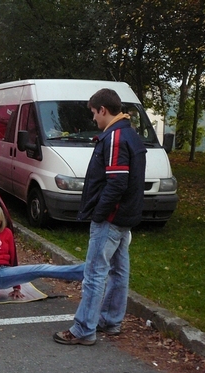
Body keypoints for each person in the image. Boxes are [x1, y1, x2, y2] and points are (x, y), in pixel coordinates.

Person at [52, 88, 147, 346]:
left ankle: (83, 329)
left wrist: (99, 214)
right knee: (118, 270)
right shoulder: (131, 135)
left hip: (111, 218)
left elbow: (116, 183)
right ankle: (110, 320)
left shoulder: (115, 137)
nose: (94, 119)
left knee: (95, 273)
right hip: (125, 217)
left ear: (103, 110)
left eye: (94, 113)